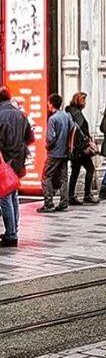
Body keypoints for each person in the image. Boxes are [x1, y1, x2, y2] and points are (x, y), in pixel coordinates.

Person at [0, 87, 34, 246]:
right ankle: (13, 230)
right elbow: (30, 137)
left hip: (5, 160)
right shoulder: (20, 114)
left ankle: (11, 235)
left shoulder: (0, 115)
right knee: (13, 195)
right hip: (18, 159)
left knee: (5, 197)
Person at [38, 93, 74, 213]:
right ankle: (64, 202)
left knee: (46, 176)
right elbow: (74, 129)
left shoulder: (52, 119)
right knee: (64, 177)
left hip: (54, 153)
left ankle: (48, 203)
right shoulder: (67, 116)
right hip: (64, 152)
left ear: (51, 103)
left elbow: (51, 137)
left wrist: (47, 145)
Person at [66, 92, 98, 205]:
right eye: (83, 100)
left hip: (73, 148)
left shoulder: (69, 112)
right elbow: (78, 131)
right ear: (79, 101)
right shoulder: (77, 114)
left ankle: (71, 195)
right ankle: (87, 194)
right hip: (81, 148)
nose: (85, 103)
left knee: (75, 171)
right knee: (90, 168)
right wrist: (85, 143)